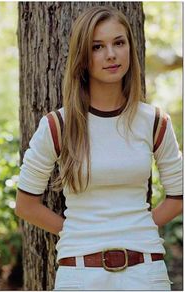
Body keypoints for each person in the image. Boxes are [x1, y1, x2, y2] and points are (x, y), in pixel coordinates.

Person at [15, 5, 183, 291]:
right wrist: (80, 233)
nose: (111, 54)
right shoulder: (58, 125)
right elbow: (26, 205)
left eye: (119, 42)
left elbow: (179, 196)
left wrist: (138, 227)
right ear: (83, 56)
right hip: (79, 273)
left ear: (130, 47)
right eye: (97, 46)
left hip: (146, 272)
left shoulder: (154, 122)